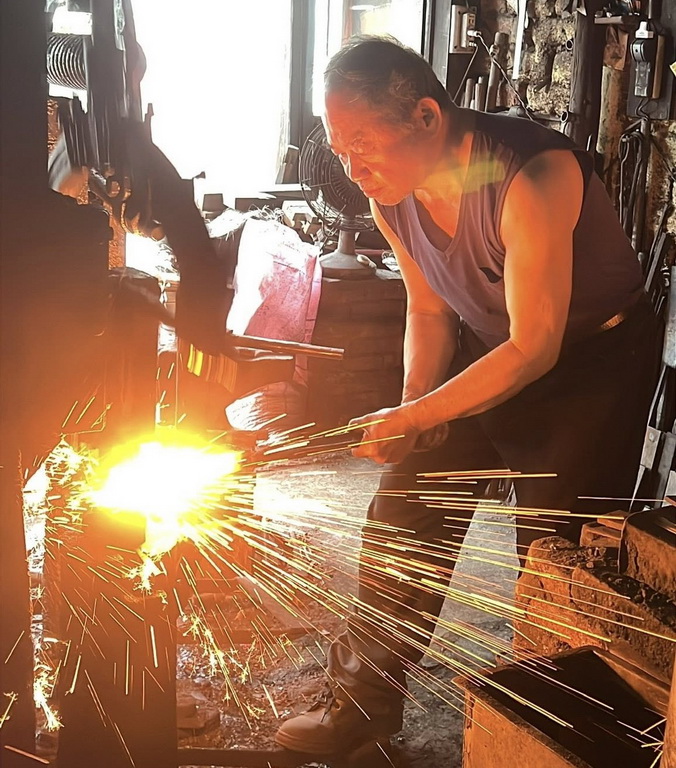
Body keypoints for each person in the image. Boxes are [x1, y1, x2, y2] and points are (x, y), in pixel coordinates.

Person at [275, 35, 658, 755]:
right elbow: (429, 310)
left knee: (553, 555)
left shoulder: (535, 176)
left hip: (593, 365)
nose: (353, 169)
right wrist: (415, 406)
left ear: (426, 115)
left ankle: (557, 737)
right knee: (401, 509)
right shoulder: (392, 195)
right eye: (339, 148)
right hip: (494, 348)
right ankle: (362, 708)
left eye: (363, 144)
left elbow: (536, 347)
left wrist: (419, 411)